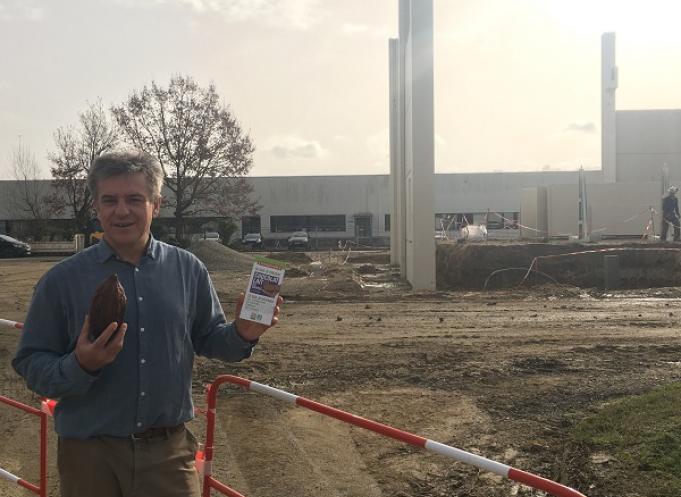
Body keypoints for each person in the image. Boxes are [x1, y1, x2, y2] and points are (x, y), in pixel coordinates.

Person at [12, 150, 283, 497]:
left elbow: (212, 341)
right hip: (89, 456)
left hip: (168, 455)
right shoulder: (61, 281)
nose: (121, 210)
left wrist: (243, 333)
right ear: (96, 206)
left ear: (156, 204)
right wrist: (80, 365)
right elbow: (30, 363)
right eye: (109, 200)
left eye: (134, 199)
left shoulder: (188, 270)